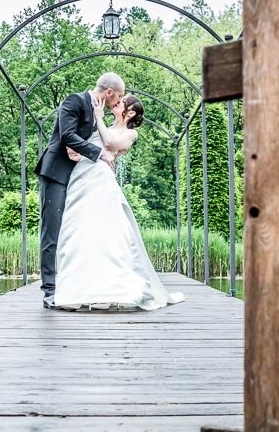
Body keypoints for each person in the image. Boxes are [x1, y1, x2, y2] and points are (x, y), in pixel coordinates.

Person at [53, 94, 185, 311]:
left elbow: (110, 143)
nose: (116, 102)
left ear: (130, 113)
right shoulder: (97, 125)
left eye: (122, 102)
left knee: (109, 234)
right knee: (79, 231)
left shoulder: (130, 132)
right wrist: (78, 153)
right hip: (81, 177)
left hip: (101, 182)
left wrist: (99, 118)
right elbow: (88, 147)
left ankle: (112, 289)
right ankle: (78, 290)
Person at [35, 72, 122, 309]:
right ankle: (49, 292)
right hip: (55, 173)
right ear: (109, 93)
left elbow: (79, 140)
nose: (119, 102)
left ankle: (69, 286)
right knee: (51, 232)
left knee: (72, 232)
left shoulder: (96, 113)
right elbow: (66, 135)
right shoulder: (74, 101)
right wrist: (98, 153)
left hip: (76, 177)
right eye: (119, 96)